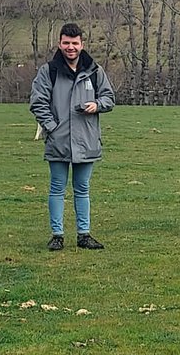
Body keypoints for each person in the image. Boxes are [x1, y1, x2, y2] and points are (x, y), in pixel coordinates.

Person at [29, 22, 115, 251]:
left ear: (81, 44)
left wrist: (97, 105)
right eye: (66, 43)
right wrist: (52, 127)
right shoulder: (49, 71)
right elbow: (38, 102)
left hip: (86, 141)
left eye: (75, 43)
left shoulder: (94, 71)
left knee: (82, 189)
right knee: (57, 188)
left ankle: (83, 235)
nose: (71, 47)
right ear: (59, 43)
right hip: (58, 140)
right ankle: (57, 235)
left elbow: (109, 98)